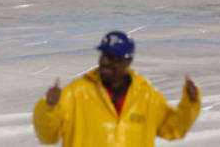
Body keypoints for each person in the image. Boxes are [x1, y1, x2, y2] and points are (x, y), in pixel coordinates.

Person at [33, 31, 201, 147]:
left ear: (127, 62)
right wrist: (49, 108)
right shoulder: (76, 93)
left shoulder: (146, 96)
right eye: (104, 55)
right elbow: (47, 135)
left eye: (113, 57)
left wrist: (191, 103)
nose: (105, 61)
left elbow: (173, 129)